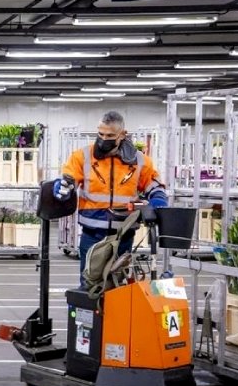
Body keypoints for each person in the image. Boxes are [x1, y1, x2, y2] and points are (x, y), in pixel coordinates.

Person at [54, 111, 168, 289]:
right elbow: (69, 178)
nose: (103, 139)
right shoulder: (82, 156)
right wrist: (64, 187)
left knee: (118, 287)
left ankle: (114, 317)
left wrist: (158, 199)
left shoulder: (139, 161)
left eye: (110, 135)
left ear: (122, 134)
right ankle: (88, 316)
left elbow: (154, 184)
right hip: (92, 235)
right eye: (100, 134)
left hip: (124, 236)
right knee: (89, 285)